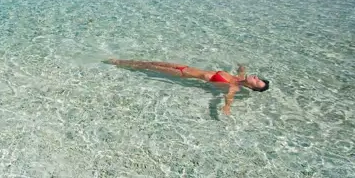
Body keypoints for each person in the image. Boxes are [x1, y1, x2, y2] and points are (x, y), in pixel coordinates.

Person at [104, 60, 269, 115]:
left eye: (257, 82)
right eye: (258, 78)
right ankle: (119, 62)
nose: (256, 78)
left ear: (252, 88)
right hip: (185, 66)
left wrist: (226, 108)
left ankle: (117, 64)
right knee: (150, 62)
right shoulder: (239, 78)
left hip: (184, 74)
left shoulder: (234, 87)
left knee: (148, 67)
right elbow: (242, 70)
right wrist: (241, 65)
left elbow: (228, 99)